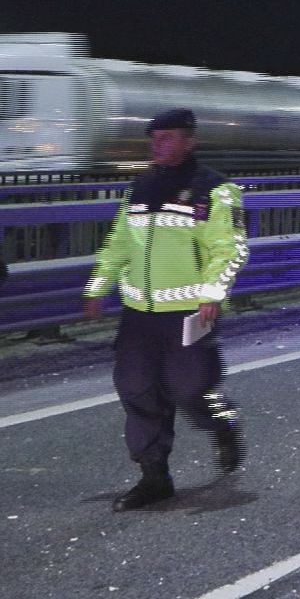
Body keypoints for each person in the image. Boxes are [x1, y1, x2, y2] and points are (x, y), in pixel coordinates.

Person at [81, 109, 249, 511]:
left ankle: (222, 423)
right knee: (137, 389)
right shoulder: (140, 186)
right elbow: (120, 242)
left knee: (192, 390)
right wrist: (98, 286)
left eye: (168, 137)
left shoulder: (216, 190)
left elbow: (229, 248)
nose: (158, 145)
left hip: (190, 312)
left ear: (190, 140)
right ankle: (154, 477)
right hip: (139, 313)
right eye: (154, 138)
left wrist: (212, 292)